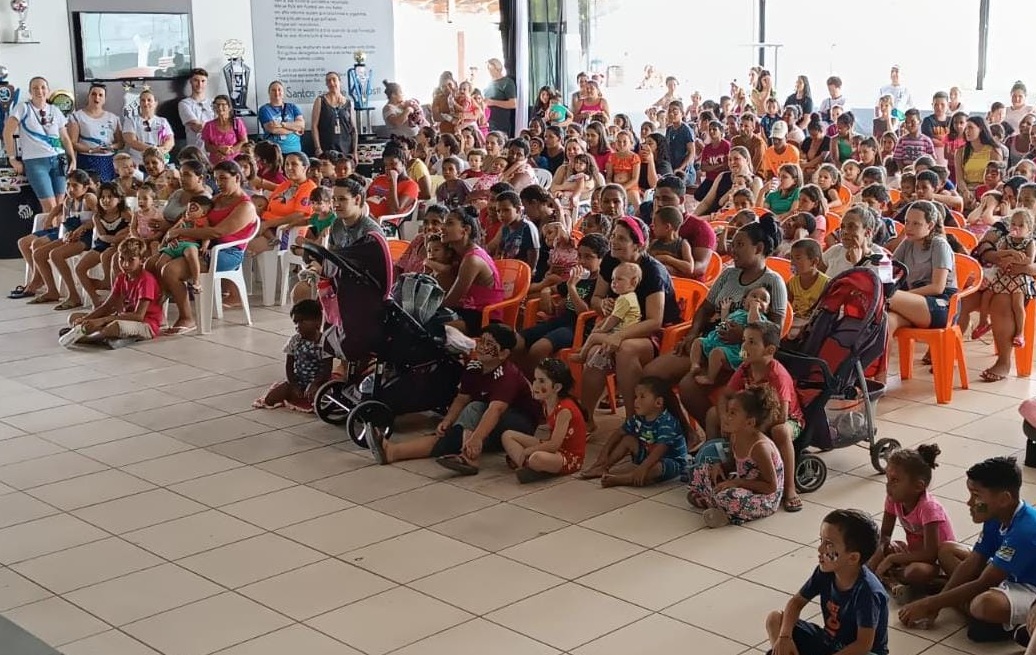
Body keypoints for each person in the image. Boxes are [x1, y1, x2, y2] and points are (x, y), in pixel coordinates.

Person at [644, 216, 787, 442]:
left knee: (688, 386)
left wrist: (742, 335)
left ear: (758, 248)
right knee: (652, 375)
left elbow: (775, 330)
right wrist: (693, 334)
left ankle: (719, 437)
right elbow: (704, 309)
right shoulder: (729, 274)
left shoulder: (773, 281)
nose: (732, 248)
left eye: (740, 244)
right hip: (711, 341)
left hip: (741, 353)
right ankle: (686, 432)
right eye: (732, 243)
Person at [368, 323, 541, 476]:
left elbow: (495, 410)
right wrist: (448, 420)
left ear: (503, 354)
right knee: (454, 433)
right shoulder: (474, 367)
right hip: (489, 418)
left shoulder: (507, 375)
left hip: (519, 424)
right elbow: (461, 398)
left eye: (489, 345)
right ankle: (393, 451)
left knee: (474, 410)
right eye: (481, 341)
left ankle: (470, 458)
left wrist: (476, 438)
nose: (481, 347)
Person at [898, 457, 1036, 642]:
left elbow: (984, 582)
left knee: (984, 604)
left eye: (977, 495)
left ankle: (1011, 626)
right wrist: (938, 602)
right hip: (1003, 575)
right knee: (947, 550)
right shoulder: (996, 515)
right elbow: (974, 561)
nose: (970, 502)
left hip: (1030, 588)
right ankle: (964, 603)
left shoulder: (1024, 531)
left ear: (1004, 499)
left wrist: (929, 603)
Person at [578, 211, 681, 433]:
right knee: (597, 349)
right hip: (621, 325)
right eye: (614, 236)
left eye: (622, 238)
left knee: (624, 350)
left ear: (638, 245)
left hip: (656, 334)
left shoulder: (653, 271)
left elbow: (655, 321)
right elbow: (596, 297)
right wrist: (601, 305)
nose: (614, 241)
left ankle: (635, 421)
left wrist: (618, 335)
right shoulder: (610, 261)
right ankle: (586, 418)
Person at [765, 509, 889, 655]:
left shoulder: (868, 591)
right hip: (830, 643)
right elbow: (796, 603)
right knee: (775, 619)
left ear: (853, 558)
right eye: (821, 541)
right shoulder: (825, 572)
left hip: (859, 652)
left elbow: (863, 645)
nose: (820, 549)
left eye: (829, 544)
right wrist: (785, 637)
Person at [160, 160, 257, 334]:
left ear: (237, 177)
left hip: (226, 252)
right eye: (216, 179)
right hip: (202, 246)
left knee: (171, 270)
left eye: (223, 178)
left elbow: (217, 233)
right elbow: (197, 219)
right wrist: (177, 234)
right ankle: (155, 313)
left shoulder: (245, 206)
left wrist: (181, 234)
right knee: (154, 262)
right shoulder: (218, 198)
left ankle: (187, 317)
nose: (219, 183)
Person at [687, 385, 784, 528]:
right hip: (744, 483)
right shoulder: (735, 436)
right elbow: (734, 463)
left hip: (764, 497)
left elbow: (771, 486)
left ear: (749, 422)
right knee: (700, 471)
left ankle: (723, 512)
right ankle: (715, 501)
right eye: (727, 411)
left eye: (732, 413)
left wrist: (737, 483)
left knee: (729, 497)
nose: (725, 417)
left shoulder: (760, 448)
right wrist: (719, 467)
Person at [868, 444, 956, 602]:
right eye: (887, 479)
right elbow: (885, 535)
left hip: (936, 561)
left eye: (895, 480)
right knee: (874, 551)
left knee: (914, 572)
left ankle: (940, 584)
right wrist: (877, 556)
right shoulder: (893, 500)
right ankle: (894, 580)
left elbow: (931, 554)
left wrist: (891, 560)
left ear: (918, 486)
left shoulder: (929, 508)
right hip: (913, 553)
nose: (888, 486)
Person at [515, 232, 607, 373]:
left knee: (538, 348)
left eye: (588, 257)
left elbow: (584, 313)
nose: (582, 261)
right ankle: (518, 379)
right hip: (562, 321)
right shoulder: (579, 278)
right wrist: (546, 292)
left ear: (602, 259)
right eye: (580, 256)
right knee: (517, 340)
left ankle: (533, 385)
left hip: (580, 328)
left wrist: (572, 287)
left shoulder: (600, 284)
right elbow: (553, 288)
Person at [578, 375, 689, 487]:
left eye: (642, 397)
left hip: (671, 461)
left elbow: (661, 449)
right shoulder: (639, 418)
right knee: (628, 439)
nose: (636, 401)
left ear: (658, 403)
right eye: (636, 397)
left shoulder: (667, 422)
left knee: (656, 468)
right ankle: (604, 467)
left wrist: (643, 467)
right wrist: (604, 454)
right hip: (648, 455)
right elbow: (619, 433)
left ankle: (624, 479)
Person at [59, 238, 165, 347]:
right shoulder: (121, 277)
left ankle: (88, 338)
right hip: (123, 318)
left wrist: (103, 320)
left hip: (146, 324)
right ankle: (102, 335)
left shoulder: (146, 280)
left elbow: (138, 316)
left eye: (131, 260)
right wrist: (85, 319)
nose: (125, 264)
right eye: (121, 259)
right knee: (73, 317)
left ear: (142, 260)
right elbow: (107, 306)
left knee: (116, 326)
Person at [501, 358, 588, 483]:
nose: (535, 385)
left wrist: (529, 450)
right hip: (555, 450)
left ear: (557, 387)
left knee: (536, 457)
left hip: (568, 457)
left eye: (542, 381)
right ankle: (528, 465)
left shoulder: (565, 409)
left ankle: (529, 464)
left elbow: (554, 444)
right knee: (508, 435)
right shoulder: (546, 402)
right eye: (535, 379)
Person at [3, 76, 77, 214]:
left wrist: (72, 158)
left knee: (61, 206)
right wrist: (12, 158)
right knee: (50, 207)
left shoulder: (54, 110)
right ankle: (49, 235)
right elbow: (7, 132)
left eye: (43, 87)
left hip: (59, 159)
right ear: (30, 91)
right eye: (35, 88)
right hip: (36, 162)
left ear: (48, 90)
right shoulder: (23, 108)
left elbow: (64, 137)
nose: (39, 91)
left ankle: (60, 235)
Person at [887, 201, 957, 336]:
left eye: (916, 224)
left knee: (885, 297)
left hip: (941, 304)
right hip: (914, 301)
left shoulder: (939, 245)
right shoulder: (907, 243)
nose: (909, 228)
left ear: (930, 225)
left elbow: (937, 287)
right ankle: (876, 357)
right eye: (907, 222)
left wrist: (904, 296)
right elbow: (891, 268)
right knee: (887, 323)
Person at [253, 299, 332, 412]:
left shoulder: (325, 342)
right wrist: (294, 385)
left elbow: (326, 371)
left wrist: (314, 384)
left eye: (302, 322)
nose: (298, 326)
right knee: (270, 399)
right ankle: (296, 394)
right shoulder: (295, 341)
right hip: (298, 380)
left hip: (319, 382)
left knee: (321, 402)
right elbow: (289, 366)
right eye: (296, 322)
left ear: (317, 322)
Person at [441, 206, 505, 335]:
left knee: (430, 326)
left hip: (484, 318)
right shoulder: (460, 255)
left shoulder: (473, 259)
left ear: (466, 230)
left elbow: (452, 300)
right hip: (467, 311)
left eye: (449, 223)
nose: (442, 228)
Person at [690, 287, 769, 385]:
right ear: (744, 301)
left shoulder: (761, 319)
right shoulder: (738, 312)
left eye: (763, 299)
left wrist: (754, 308)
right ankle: (695, 365)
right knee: (698, 342)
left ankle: (710, 378)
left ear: (767, 309)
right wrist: (725, 311)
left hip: (737, 352)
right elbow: (725, 322)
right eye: (754, 296)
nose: (757, 300)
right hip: (716, 341)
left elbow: (754, 324)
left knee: (717, 353)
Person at [571, 261, 642, 365]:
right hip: (620, 330)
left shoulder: (625, 299)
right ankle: (585, 348)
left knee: (594, 336)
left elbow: (614, 319)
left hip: (622, 334)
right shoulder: (629, 296)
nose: (613, 282)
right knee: (597, 326)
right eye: (613, 279)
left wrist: (602, 330)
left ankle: (582, 356)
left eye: (619, 279)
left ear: (633, 282)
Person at [249, 151, 316, 255]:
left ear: (305, 168)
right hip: (267, 225)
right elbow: (269, 204)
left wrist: (267, 224)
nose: (289, 168)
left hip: (286, 231)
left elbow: (299, 215)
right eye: (287, 164)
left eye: (294, 164)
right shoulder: (285, 184)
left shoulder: (309, 188)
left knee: (246, 244)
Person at [75, 182, 131, 307]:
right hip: (102, 244)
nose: (106, 200)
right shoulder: (97, 216)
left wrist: (118, 238)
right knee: (79, 268)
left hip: (120, 246)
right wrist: (116, 237)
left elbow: (133, 230)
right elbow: (102, 236)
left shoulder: (125, 214)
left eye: (110, 197)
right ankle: (96, 299)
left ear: (119, 198)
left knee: (106, 256)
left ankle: (109, 285)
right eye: (102, 197)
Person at [988, 208, 1035, 349]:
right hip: (1003, 277)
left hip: (1019, 279)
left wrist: (1012, 260)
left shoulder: (1029, 243)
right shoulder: (1006, 239)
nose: (1016, 228)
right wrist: (1010, 253)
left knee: (1017, 305)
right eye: (1014, 224)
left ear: (1029, 228)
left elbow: (1029, 260)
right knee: (987, 296)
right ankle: (984, 321)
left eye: (1021, 226)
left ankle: (1019, 334)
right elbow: (998, 254)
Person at [156, 195, 213, 296]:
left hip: (190, 244)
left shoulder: (203, 221)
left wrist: (205, 246)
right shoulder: (183, 219)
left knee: (192, 253)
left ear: (203, 213)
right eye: (188, 208)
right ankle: (164, 288)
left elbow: (206, 235)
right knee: (159, 263)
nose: (188, 211)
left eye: (193, 209)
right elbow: (171, 231)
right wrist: (167, 241)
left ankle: (196, 281)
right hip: (176, 245)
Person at [68, 82, 123, 182]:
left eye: (100, 95)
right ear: (88, 96)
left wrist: (111, 147)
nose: (96, 97)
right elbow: (73, 143)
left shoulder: (113, 118)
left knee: (106, 190)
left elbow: (121, 143)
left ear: (105, 99)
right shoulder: (77, 116)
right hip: (86, 159)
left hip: (108, 161)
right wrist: (92, 150)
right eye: (93, 94)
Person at [787, 239, 829, 338]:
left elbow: (825, 313)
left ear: (814, 261)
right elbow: (787, 307)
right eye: (791, 258)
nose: (792, 262)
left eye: (797, 258)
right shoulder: (792, 283)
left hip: (813, 324)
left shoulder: (826, 283)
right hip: (794, 321)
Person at [366, 144, 419, 221]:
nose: (389, 168)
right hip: (365, 218)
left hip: (385, 223)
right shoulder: (379, 179)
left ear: (403, 162)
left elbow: (395, 210)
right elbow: (364, 199)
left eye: (393, 164)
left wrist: (393, 181)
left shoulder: (411, 185)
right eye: (386, 165)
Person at [312, 71, 357, 159]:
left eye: (334, 80)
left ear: (339, 82)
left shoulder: (348, 103)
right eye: (328, 81)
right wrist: (318, 148)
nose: (331, 83)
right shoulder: (320, 100)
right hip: (326, 149)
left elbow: (354, 129)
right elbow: (314, 126)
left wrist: (354, 151)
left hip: (345, 150)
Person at [122, 90, 174, 165]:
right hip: (139, 163)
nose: (146, 103)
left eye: (149, 100)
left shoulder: (163, 121)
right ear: (139, 103)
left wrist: (161, 149)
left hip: (161, 164)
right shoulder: (130, 120)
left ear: (155, 103)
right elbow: (131, 141)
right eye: (143, 100)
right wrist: (153, 150)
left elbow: (170, 141)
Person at [259, 81, 305, 155]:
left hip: (295, 151)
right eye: (273, 90)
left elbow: (301, 125)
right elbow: (273, 129)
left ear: (283, 93)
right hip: (274, 153)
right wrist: (294, 129)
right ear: (269, 93)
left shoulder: (292, 107)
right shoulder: (264, 109)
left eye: (279, 90)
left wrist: (281, 124)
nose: (277, 93)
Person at [648, 205, 694, 278]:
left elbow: (689, 268)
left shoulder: (682, 244)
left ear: (667, 227)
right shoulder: (654, 243)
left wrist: (667, 259)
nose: (652, 228)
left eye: (655, 225)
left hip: (676, 283)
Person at [200, 95, 247, 166]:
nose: (220, 107)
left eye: (223, 105)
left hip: (235, 163)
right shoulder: (208, 125)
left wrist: (231, 151)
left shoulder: (237, 123)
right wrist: (219, 149)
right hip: (216, 164)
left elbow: (244, 141)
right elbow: (207, 147)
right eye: (217, 105)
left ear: (229, 107)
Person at [177, 68, 214, 149]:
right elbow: (198, 127)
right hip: (196, 151)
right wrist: (216, 126)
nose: (200, 84)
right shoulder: (184, 104)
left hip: (215, 151)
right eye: (196, 80)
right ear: (190, 81)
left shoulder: (213, 102)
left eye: (203, 81)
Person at [482, 58, 518, 135]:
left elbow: (513, 104)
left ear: (498, 68)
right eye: (488, 68)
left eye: (491, 68)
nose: (489, 71)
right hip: (486, 123)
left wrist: (493, 102)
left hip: (500, 124)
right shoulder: (488, 84)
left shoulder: (507, 82)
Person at [665, 101, 696, 185]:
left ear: (682, 113)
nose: (671, 114)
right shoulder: (669, 129)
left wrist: (680, 169)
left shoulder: (686, 130)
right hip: (671, 169)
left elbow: (691, 153)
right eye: (669, 111)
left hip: (685, 172)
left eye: (675, 111)